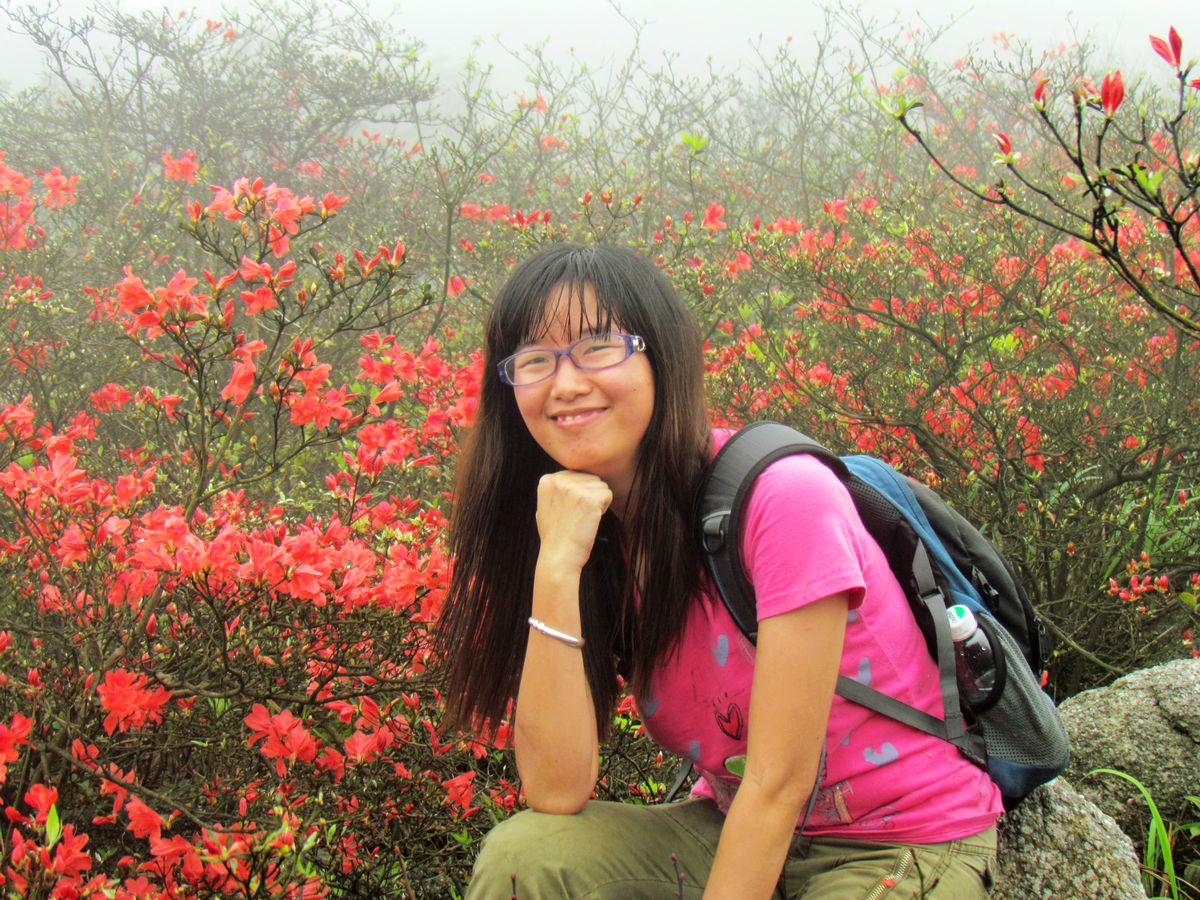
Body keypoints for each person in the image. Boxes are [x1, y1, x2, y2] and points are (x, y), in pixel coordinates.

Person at [436, 243, 1000, 898]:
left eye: (597, 347)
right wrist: (557, 567)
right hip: (734, 825)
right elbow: (556, 790)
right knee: (525, 857)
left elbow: (778, 783)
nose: (565, 385)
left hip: (901, 838)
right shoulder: (589, 529)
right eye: (535, 360)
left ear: (662, 358)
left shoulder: (781, 497)